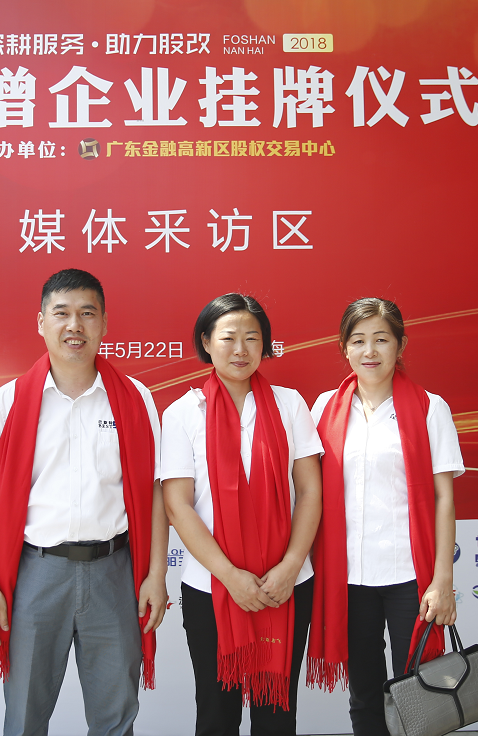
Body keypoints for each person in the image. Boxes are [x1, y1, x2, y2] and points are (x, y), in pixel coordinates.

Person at [0, 268, 168, 736]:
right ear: (41, 322)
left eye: (87, 314)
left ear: (104, 323)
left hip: (114, 572)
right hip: (37, 574)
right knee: (25, 716)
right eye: (62, 313)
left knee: (116, 716)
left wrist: (155, 576)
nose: (75, 325)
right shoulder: (10, 401)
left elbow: (154, 492)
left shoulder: (134, 399)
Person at [161, 293, 323, 736]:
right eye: (228, 337)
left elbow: (310, 490)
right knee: (217, 713)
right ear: (206, 342)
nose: (240, 349)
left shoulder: (289, 404)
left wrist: (291, 566)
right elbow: (178, 505)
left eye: (252, 338)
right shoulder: (182, 414)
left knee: (277, 715)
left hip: (286, 584)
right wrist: (231, 576)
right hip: (211, 586)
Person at [305, 298, 464, 736]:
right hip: (349, 577)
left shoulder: (430, 408)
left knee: (420, 691)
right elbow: (308, 492)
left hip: (410, 576)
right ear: (344, 348)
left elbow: (444, 499)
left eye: (381, 339)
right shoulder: (324, 409)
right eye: (358, 341)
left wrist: (442, 579)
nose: (369, 351)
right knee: (365, 694)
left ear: (400, 345)